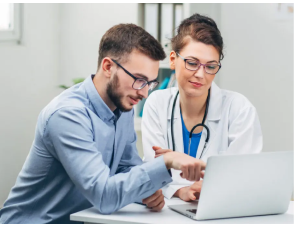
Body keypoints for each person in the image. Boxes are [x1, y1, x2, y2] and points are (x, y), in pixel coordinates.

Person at [0, 24, 206, 224]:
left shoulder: (123, 106)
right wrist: (165, 162)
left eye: (150, 83)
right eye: (139, 80)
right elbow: (104, 196)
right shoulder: (67, 115)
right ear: (108, 67)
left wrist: (146, 192)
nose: (144, 93)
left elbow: (125, 169)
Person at [142, 14, 263, 202]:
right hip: (167, 214)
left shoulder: (239, 109)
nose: (200, 74)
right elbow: (153, 170)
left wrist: (208, 186)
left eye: (211, 66)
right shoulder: (157, 104)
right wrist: (180, 191)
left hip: (222, 210)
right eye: (192, 63)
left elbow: (243, 175)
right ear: (173, 60)